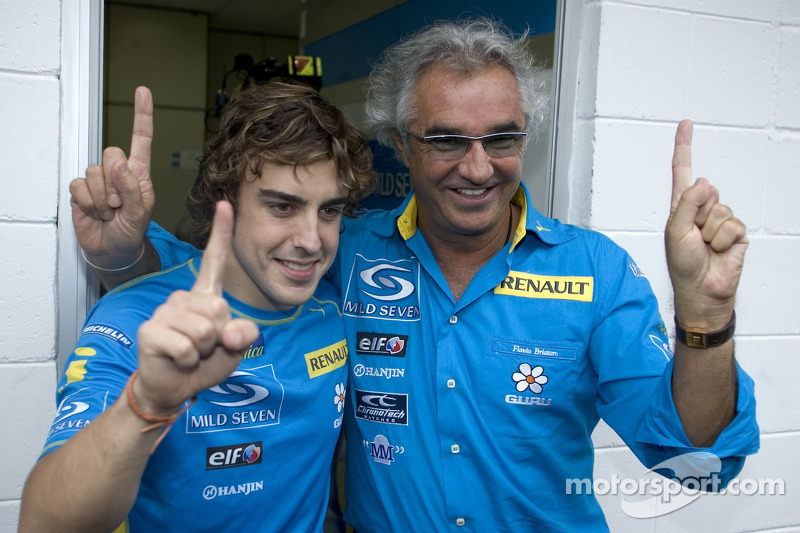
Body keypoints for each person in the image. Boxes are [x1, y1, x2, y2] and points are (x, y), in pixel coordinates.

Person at [64, 18, 758, 532]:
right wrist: (124, 253)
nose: (479, 166)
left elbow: (693, 457)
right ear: (401, 142)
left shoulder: (596, 273)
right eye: (448, 139)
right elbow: (224, 277)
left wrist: (705, 315)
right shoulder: (343, 248)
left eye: (503, 138)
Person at [19, 81, 376, 532]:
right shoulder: (136, 319)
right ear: (225, 200)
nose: (311, 241)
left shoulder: (332, 306)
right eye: (283, 207)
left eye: (329, 211)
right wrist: (146, 405)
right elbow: (43, 523)